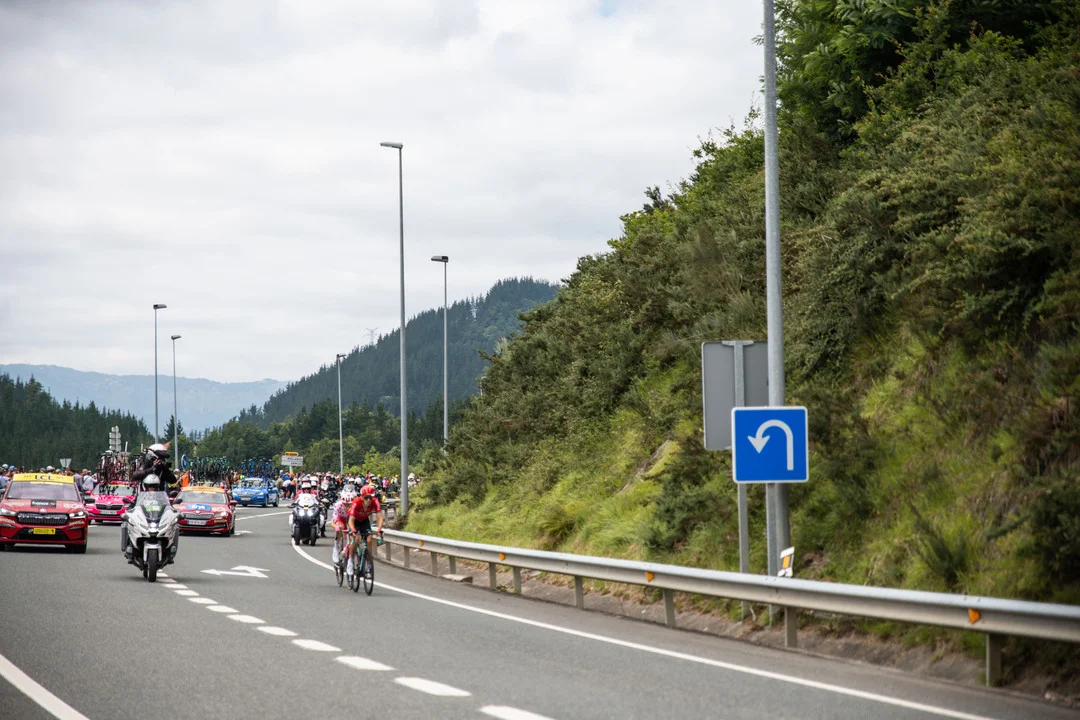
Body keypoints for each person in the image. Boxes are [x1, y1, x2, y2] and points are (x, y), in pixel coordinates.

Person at [347, 485, 383, 579]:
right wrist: (353, 530)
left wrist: (379, 529)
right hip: (354, 520)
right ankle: (350, 561)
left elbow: (379, 517)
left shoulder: (375, 501)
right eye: (366, 497)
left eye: (370, 497)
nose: (369, 500)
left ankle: (368, 565)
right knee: (356, 539)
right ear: (362, 497)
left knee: (369, 539)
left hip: (364, 521)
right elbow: (350, 520)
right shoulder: (356, 502)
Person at [330, 486, 356, 564]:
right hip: (341, 518)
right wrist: (336, 527)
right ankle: (336, 546)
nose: (347, 507)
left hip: (351, 518)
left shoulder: (355, 505)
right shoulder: (338, 505)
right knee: (340, 527)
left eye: (349, 505)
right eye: (345, 504)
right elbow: (333, 522)